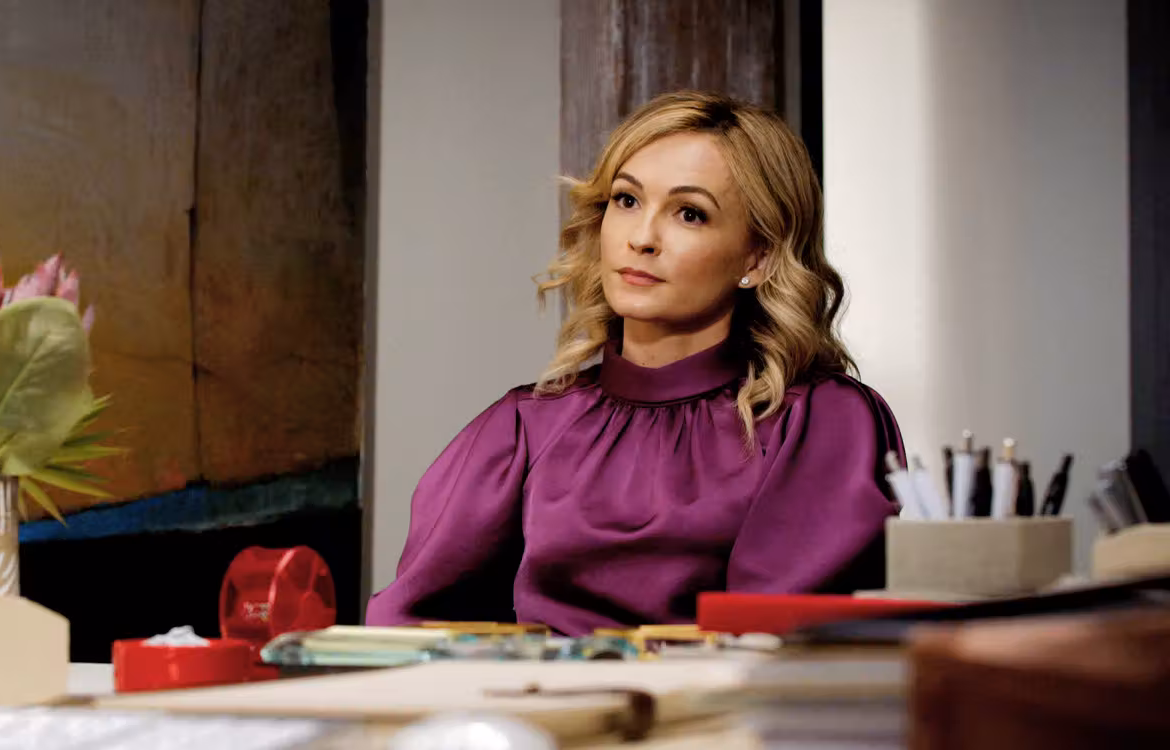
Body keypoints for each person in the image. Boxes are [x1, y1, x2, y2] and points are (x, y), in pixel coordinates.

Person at [365, 91, 904, 635]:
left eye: (690, 214)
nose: (642, 238)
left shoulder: (820, 422)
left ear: (758, 257)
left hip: (720, 692)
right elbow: (406, 627)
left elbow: (772, 642)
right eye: (626, 200)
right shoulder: (524, 427)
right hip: (538, 692)